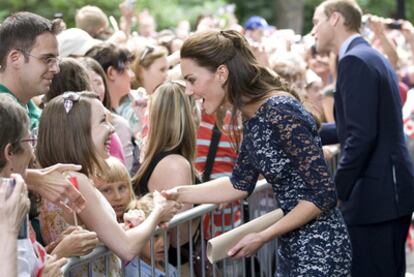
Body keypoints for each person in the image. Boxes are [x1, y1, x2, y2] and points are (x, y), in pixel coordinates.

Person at [162, 29, 352, 276]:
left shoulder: (279, 110)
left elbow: (323, 195)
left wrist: (263, 236)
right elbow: (240, 184)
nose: (188, 90)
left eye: (192, 79)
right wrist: (179, 194)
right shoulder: (252, 116)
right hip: (292, 246)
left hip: (320, 248)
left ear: (221, 73)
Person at [311, 1, 414, 276]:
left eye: (315, 21)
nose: (312, 32)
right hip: (386, 195)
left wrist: (334, 193)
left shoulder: (355, 60)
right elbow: (357, 126)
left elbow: (360, 137)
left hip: (376, 199)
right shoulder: (369, 55)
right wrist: (304, 133)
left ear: (335, 19)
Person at [36, 91, 179, 264]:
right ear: (80, 132)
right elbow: (126, 248)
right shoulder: (75, 181)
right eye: (103, 121)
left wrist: (124, 227)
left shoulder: (57, 178)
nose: (112, 128)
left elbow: (93, 237)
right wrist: (158, 211)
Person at [0, 12, 86, 212]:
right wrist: (36, 179)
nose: (56, 69)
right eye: (47, 59)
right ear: (15, 58)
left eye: (56, 60)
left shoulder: (35, 111)